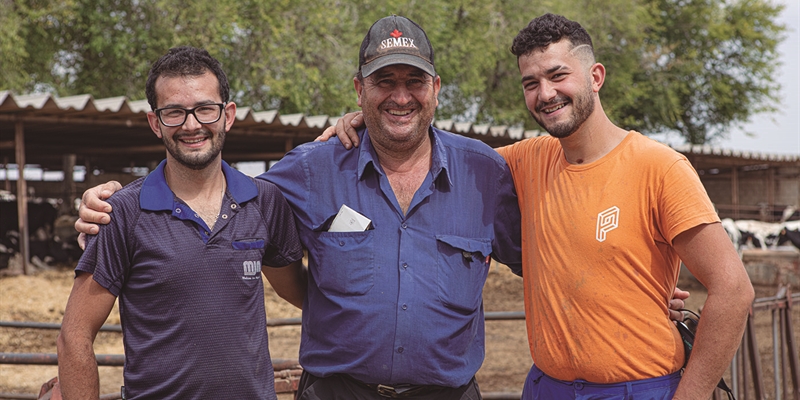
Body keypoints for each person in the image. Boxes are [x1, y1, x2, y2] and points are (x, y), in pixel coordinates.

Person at [74, 16, 691, 400]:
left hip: (447, 395)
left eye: (413, 82)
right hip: (336, 393)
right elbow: (207, 172)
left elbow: (552, 257)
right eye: (384, 83)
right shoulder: (309, 170)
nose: (400, 96)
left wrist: (631, 292)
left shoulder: (489, 172)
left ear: (435, 90)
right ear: (360, 90)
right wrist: (121, 199)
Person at [327, 13, 754, 400]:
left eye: (558, 75)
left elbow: (733, 290)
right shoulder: (521, 162)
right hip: (548, 387)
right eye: (531, 83)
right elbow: (433, 155)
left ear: (596, 76)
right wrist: (363, 120)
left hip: (639, 388)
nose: (545, 93)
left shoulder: (659, 168)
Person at [57, 46, 305, 400]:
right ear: (155, 123)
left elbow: (302, 294)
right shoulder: (123, 213)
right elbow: (74, 334)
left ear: (227, 115)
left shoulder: (264, 201)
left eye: (205, 109)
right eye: (174, 112)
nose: (192, 125)